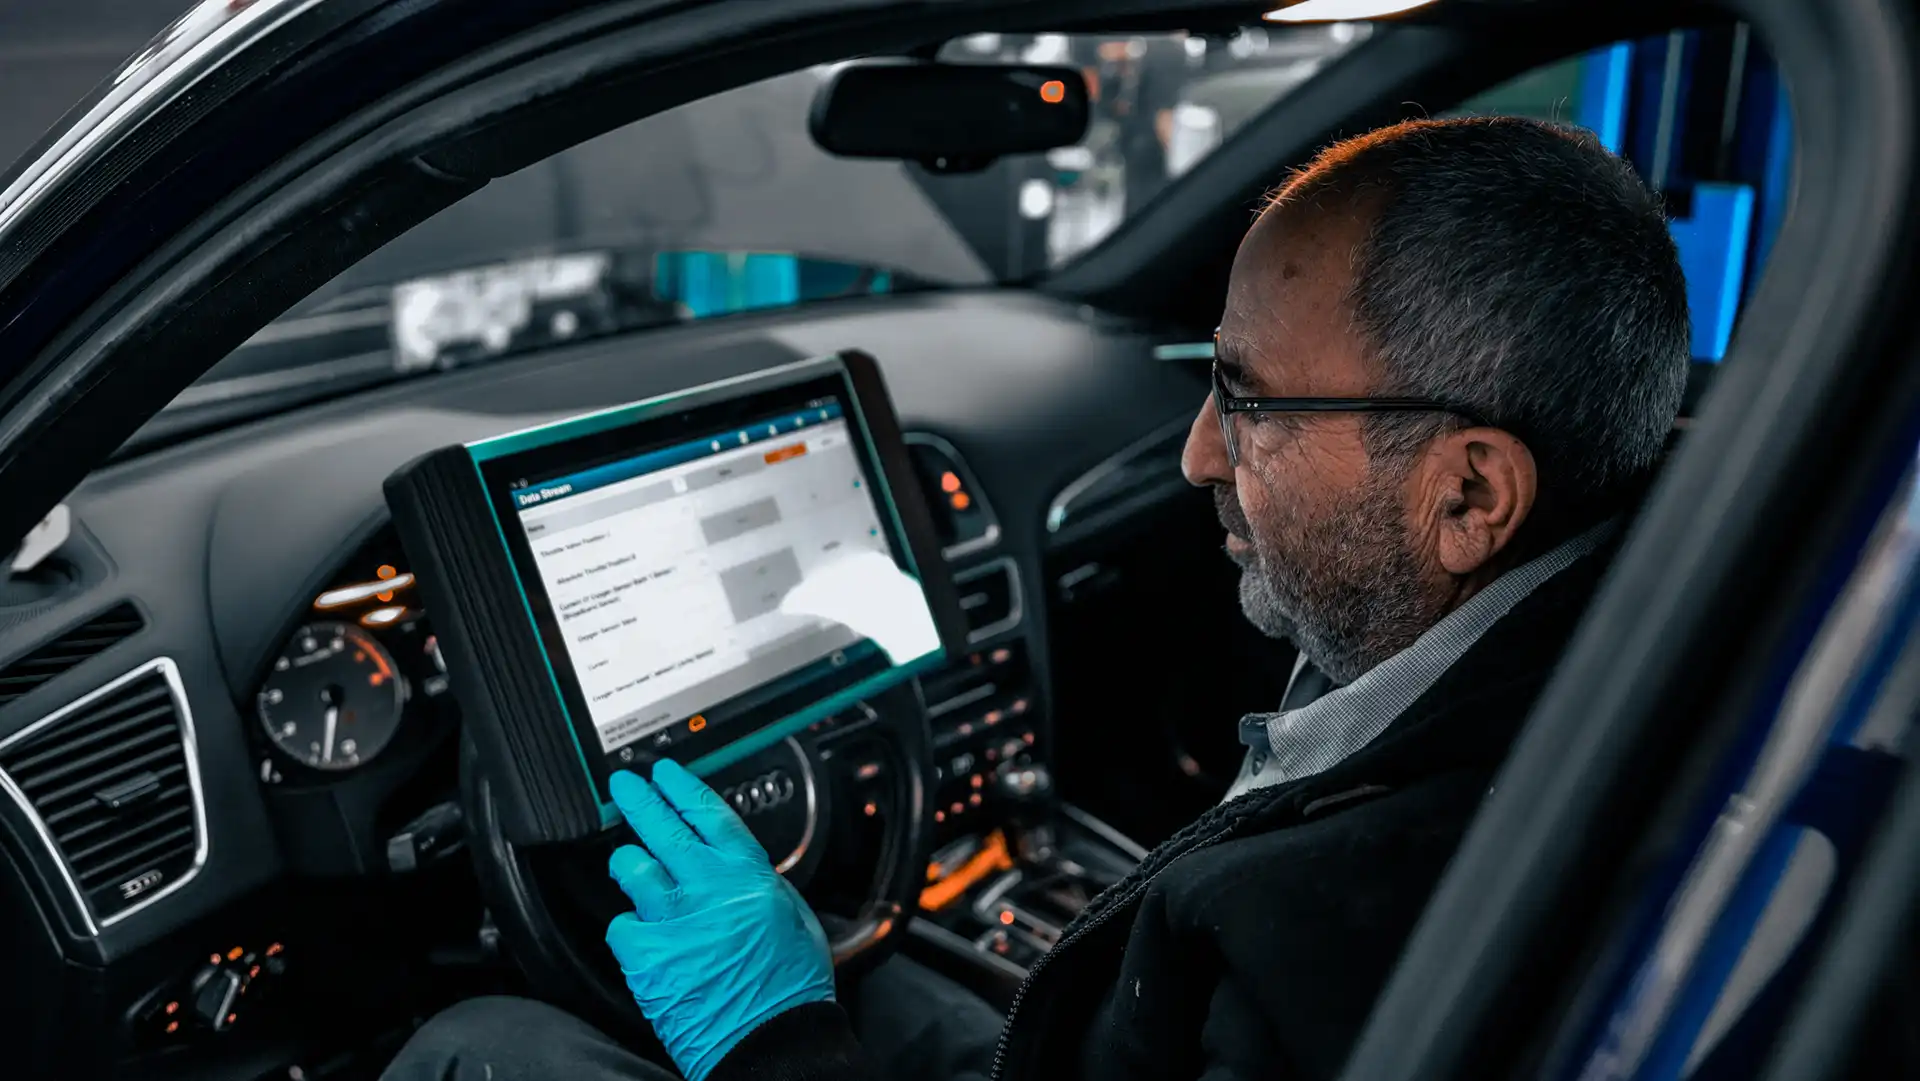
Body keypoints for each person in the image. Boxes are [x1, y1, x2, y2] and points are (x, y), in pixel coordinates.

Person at [382, 115, 1691, 1081]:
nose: (1195, 458)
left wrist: (770, 1039)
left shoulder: (1350, 929)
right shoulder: (1639, 649)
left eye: (1247, 400)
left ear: (1470, 498)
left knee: (475, 1044)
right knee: (882, 970)